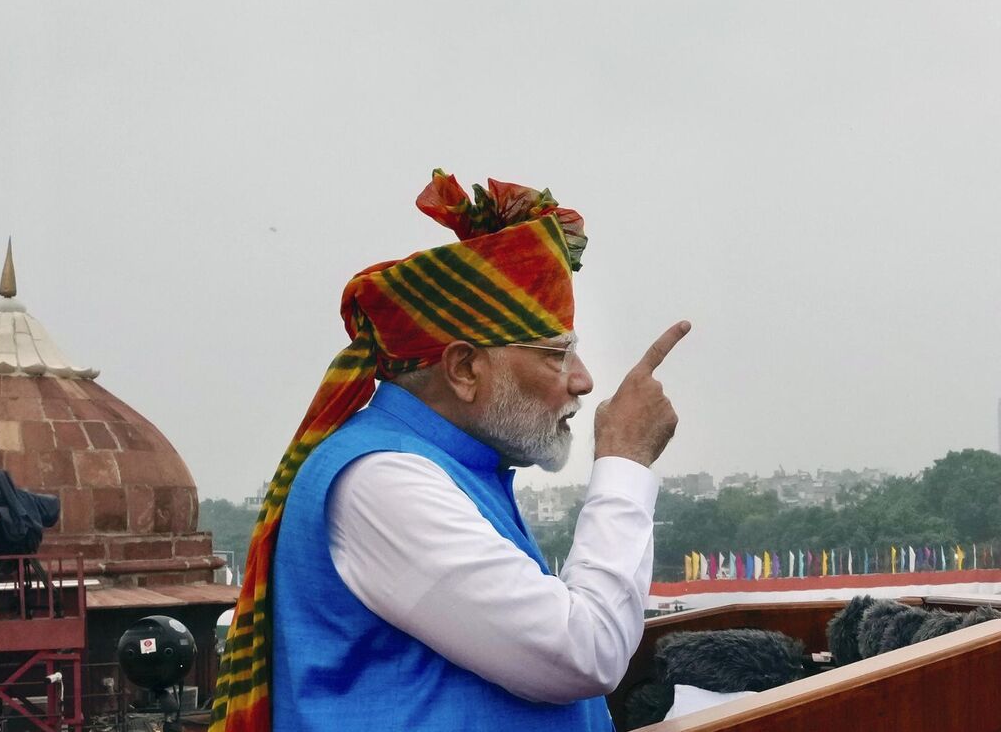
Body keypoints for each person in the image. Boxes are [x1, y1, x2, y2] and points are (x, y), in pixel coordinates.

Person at [211, 170, 687, 732]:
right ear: (464, 368)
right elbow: (585, 652)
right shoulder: (382, 481)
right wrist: (625, 464)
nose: (582, 381)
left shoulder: (456, 469)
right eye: (556, 355)